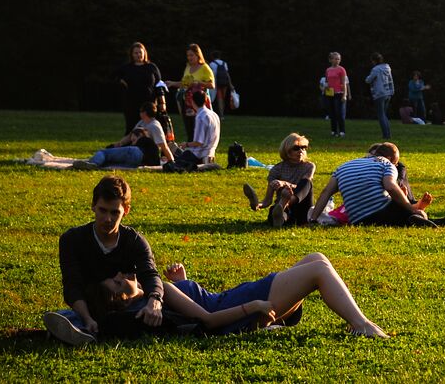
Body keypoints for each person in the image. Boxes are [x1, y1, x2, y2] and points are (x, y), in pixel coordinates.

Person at [94, 252, 387, 337]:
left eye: (116, 276)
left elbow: (193, 306)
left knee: (315, 256)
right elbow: (207, 320)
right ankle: (362, 325)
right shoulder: (157, 297)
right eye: (118, 285)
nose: (121, 277)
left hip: (230, 299)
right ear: (126, 301)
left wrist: (184, 282)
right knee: (319, 270)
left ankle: (354, 321)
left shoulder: (159, 292)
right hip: (236, 308)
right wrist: (252, 306)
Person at [44, 176, 164, 345]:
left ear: (126, 210)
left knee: (140, 312)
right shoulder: (72, 239)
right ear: (93, 206)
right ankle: (84, 327)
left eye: (115, 212)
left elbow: (150, 274)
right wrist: (86, 317)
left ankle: (86, 331)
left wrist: (154, 301)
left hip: (127, 304)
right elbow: (72, 285)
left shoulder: (135, 241)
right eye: (103, 210)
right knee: (67, 316)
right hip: (90, 305)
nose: (108, 219)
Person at [307, 142, 445, 228]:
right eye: (396, 161)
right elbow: (390, 187)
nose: (396, 164)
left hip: (358, 220)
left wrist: (313, 219)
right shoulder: (386, 163)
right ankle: (414, 218)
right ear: (389, 157)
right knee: (415, 212)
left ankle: (411, 219)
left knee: (399, 217)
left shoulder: (344, 166)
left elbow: (326, 192)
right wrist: (410, 207)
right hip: (381, 211)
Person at [243, 133, 316, 227]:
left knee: (308, 183)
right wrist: (258, 205)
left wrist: (285, 184)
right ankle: (280, 216)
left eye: (303, 148)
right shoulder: (276, 169)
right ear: (287, 151)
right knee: (277, 211)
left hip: (302, 209)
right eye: (296, 148)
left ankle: (285, 202)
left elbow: (304, 186)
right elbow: (267, 201)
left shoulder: (309, 166)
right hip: (283, 209)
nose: (301, 151)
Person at [74, 102, 175, 169]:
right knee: (110, 160)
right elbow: (130, 135)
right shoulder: (142, 122)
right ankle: (93, 163)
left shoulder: (154, 126)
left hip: (138, 152)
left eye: (140, 111)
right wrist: (118, 144)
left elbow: (163, 145)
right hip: (137, 156)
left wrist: (172, 161)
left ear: (144, 113)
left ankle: (93, 164)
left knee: (104, 152)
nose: (139, 113)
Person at [167, 44, 215, 141]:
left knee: (199, 128)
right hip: (188, 103)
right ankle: (191, 147)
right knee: (190, 128)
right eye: (188, 55)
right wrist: (172, 83)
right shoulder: (188, 67)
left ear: (198, 55)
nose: (189, 58)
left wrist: (198, 83)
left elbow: (212, 85)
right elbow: (185, 84)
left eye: (192, 55)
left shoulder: (204, 67)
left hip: (200, 103)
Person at [114, 43, 160, 137]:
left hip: (149, 103)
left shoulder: (151, 67)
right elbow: (115, 76)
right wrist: (121, 81)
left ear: (144, 53)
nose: (138, 55)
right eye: (135, 53)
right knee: (131, 127)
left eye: (140, 52)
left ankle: (149, 148)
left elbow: (159, 84)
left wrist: (162, 101)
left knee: (149, 127)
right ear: (132, 54)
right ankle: (129, 147)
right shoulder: (127, 68)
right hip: (131, 103)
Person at [171, 88, 220, 169]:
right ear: (206, 100)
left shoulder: (200, 116)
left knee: (173, 162)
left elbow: (199, 142)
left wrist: (185, 144)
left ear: (192, 102)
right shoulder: (214, 114)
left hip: (199, 154)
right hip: (210, 151)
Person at [364, 53, 395, 140]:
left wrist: (367, 78)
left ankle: (386, 135)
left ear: (374, 61)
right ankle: (388, 133)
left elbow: (368, 80)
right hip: (388, 92)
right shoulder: (387, 67)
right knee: (384, 114)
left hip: (380, 93)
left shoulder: (376, 69)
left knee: (381, 115)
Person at [325, 52, 348, 138]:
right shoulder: (328, 70)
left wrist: (344, 95)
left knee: (340, 113)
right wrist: (326, 87)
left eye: (338, 59)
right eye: (335, 58)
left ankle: (342, 131)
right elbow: (327, 81)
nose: (337, 60)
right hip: (330, 93)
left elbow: (344, 83)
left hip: (339, 93)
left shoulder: (341, 69)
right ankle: (333, 131)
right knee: (332, 113)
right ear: (330, 60)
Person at [209, 51, 233, 119]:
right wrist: (230, 84)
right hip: (224, 83)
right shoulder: (224, 63)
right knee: (223, 98)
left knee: (219, 99)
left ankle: (221, 115)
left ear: (213, 56)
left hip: (216, 83)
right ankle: (222, 113)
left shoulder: (211, 64)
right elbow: (227, 74)